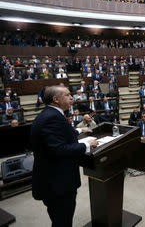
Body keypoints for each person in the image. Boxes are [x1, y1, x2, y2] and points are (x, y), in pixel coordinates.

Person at [31, 85, 97, 227]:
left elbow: (58, 135)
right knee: (62, 221)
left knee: (59, 219)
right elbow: (59, 149)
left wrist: (79, 130)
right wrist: (86, 145)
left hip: (52, 181)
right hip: (57, 184)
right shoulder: (53, 118)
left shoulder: (49, 114)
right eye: (67, 95)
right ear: (56, 99)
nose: (72, 97)